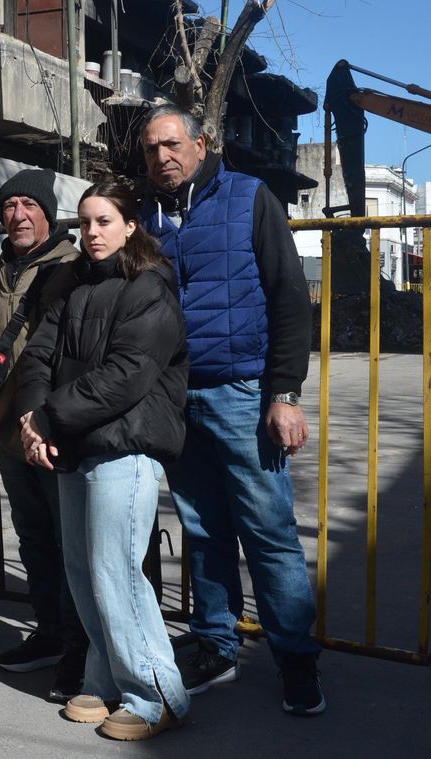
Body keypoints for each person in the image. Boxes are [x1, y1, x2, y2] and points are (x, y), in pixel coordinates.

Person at [138, 103, 324, 716]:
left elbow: (290, 299)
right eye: (150, 150)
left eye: (171, 145)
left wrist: (285, 394)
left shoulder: (249, 198)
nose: (161, 158)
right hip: (175, 396)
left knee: (269, 536)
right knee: (202, 530)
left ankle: (296, 661)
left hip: (243, 395)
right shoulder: (147, 216)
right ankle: (215, 643)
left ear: (200, 143)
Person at [16, 179, 191, 742]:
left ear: (131, 224)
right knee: (83, 573)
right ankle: (104, 677)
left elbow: (127, 375)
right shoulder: (72, 282)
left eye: (104, 221)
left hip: (124, 445)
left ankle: (156, 693)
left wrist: (49, 418)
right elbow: (39, 354)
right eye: (86, 223)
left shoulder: (150, 286)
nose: (92, 233)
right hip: (73, 441)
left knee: (118, 572)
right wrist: (32, 419)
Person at [0, 169, 87, 700]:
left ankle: (81, 644)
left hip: (57, 433)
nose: (17, 214)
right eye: (9, 205)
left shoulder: (74, 268)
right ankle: (50, 633)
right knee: (35, 540)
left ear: (48, 212)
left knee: (72, 543)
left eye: (28, 205)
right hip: (9, 434)